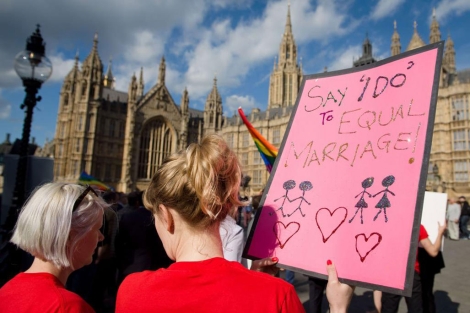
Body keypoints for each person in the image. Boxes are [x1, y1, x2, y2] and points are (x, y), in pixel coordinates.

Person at [116, 134, 356, 312]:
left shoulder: (131, 291)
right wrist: (337, 309)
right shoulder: (278, 294)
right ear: (224, 208)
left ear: (166, 216)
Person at [0, 183, 106, 312]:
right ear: (69, 236)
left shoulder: (7, 291)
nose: (101, 237)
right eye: (97, 229)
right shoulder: (69, 307)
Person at [381, 223, 446, 313]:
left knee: (388, 308)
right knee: (415, 308)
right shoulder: (417, 226)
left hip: (392, 273)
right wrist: (440, 233)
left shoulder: (389, 224)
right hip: (411, 274)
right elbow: (433, 252)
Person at [418, 222, 447, 313]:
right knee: (422, 293)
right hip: (422, 256)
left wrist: (440, 233)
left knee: (425, 292)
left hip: (427, 258)